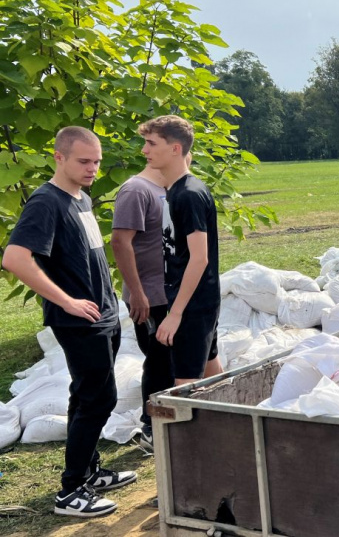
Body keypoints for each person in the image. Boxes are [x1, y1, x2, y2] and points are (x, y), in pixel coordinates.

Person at [2, 127, 136, 518]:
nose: (93, 167)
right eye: (83, 161)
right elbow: (15, 258)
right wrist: (67, 301)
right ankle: (70, 491)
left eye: (96, 160)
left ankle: (89, 471)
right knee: (100, 398)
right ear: (58, 157)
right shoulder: (46, 201)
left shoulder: (81, 197)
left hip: (103, 316)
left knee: (85, 396)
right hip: (78, 322)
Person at [139, 116, 223, 388]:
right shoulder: (175, 190)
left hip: (193, 306)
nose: (145, 150)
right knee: (214, 376)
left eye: (152, 144)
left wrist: (175, 314)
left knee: (185, 390)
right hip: (196, 303)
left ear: (176, 149)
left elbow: (200, 258)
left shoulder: (188, 194)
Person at [110, 165, 172, 453]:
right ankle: (151, 425)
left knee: (170, 359)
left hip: (170, 292)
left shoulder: (168, 188)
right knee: (159, 359)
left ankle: (169, 419)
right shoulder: (136, 190)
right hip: (148, 296)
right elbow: (121, 241)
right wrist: (137, 292)